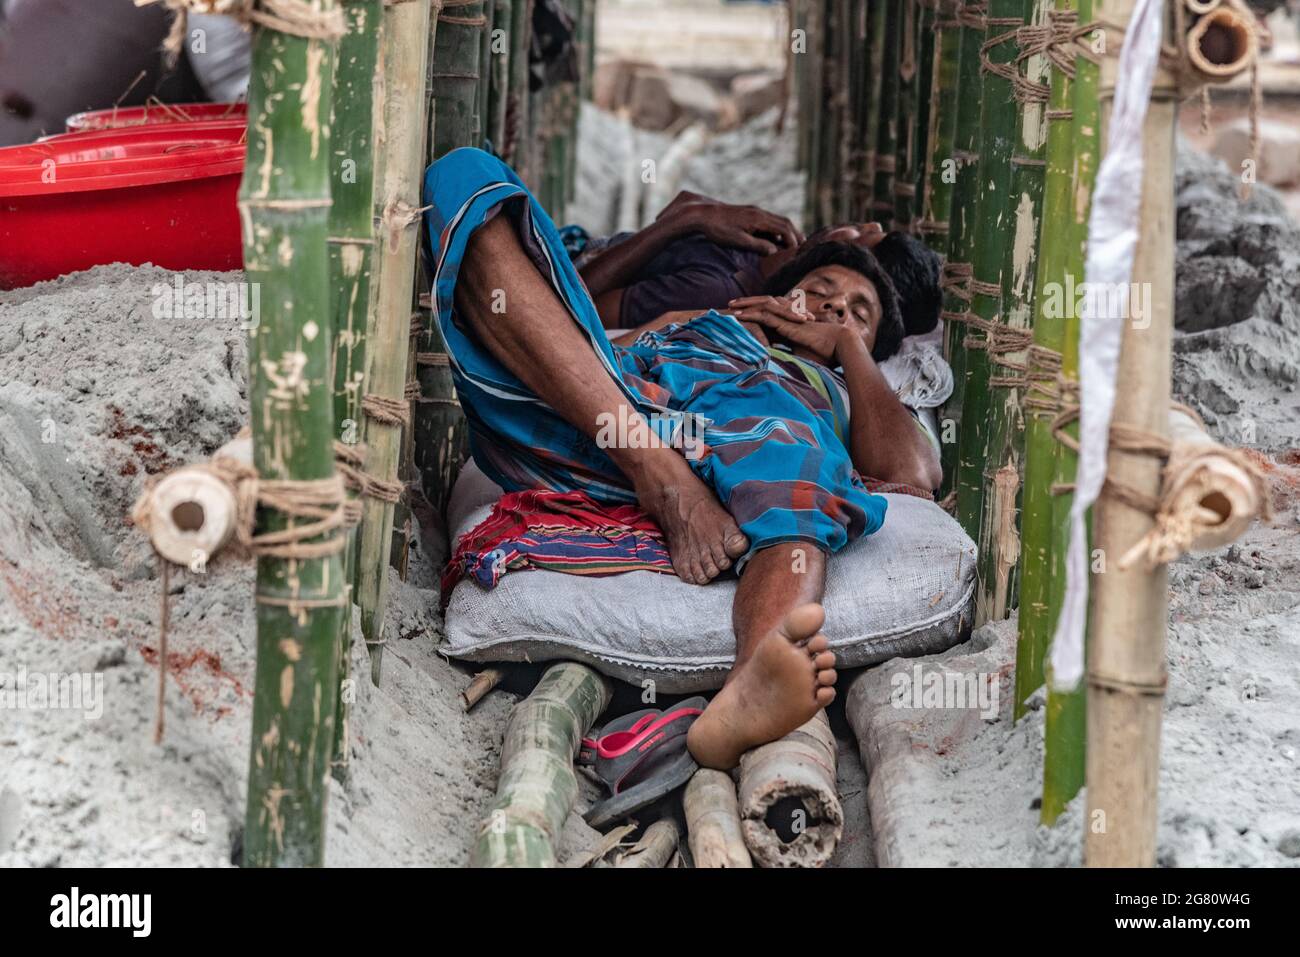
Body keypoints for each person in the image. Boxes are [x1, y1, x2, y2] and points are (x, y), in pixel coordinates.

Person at [424, 148, 940, 769]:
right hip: (609, 420)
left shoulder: (825, 384)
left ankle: (751, 681)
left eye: (859, 312)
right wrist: (681, 327)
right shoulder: (698, 319)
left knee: (795, 473)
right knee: (462, 174)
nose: (835, 308)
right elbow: (562, 330)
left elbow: (910, 474)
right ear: (774, 294)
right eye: (820, 291)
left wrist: (849, 350)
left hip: (754, 437)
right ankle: (661, 476)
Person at [576, 191, 943, 340]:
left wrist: (688, 219)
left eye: (861, 237)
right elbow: (675, 207)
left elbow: (574, 297)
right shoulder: (775, 244)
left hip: (562, 259)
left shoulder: (718, 292)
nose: (868, 224)